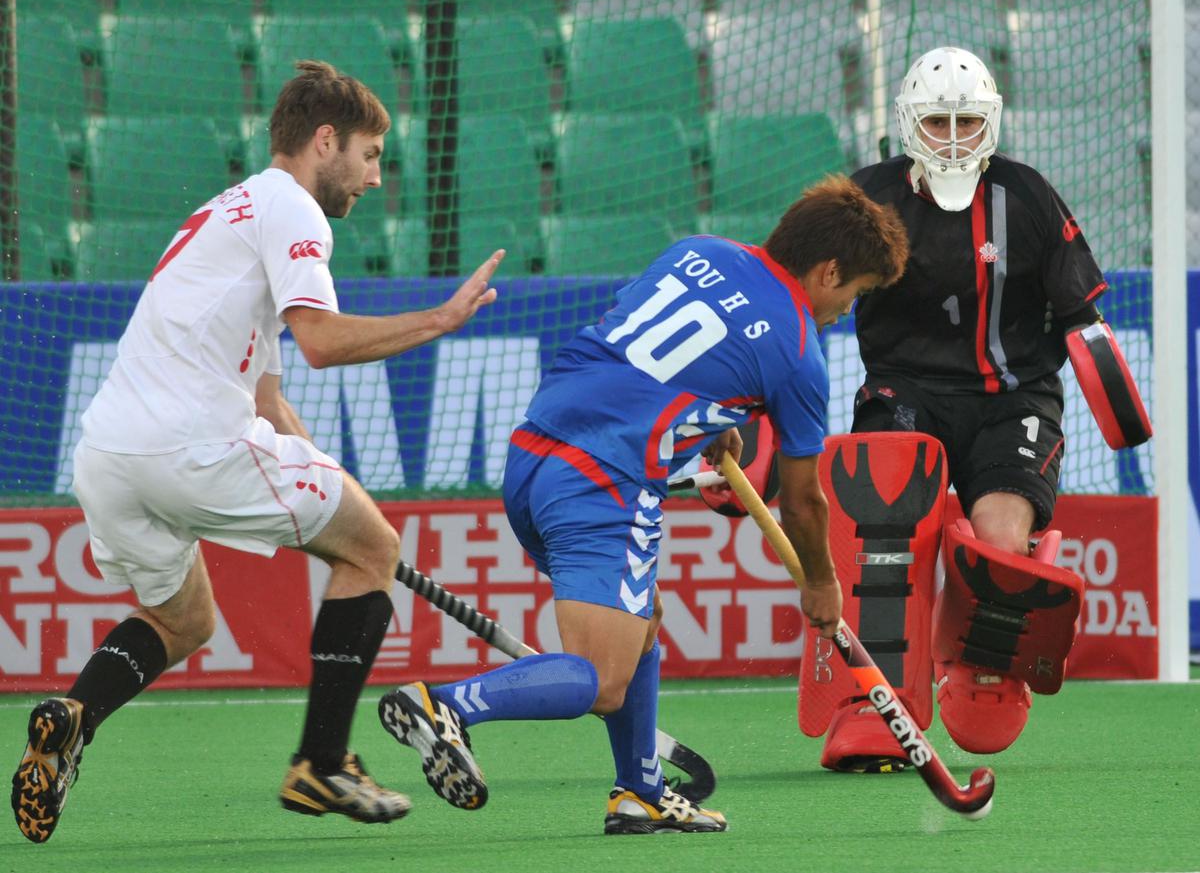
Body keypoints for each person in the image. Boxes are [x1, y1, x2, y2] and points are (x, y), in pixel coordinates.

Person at [10, 60, 501, 844]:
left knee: (184, 618)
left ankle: (73, 716)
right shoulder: (295, 210)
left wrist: (333, 493)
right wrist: (440, 319)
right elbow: (321, 340)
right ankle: (322, 761)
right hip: (190, 445)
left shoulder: (228, 210)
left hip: (108, 454)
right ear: (325, 140)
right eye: (370, 155)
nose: (374, 178)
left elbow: (268, 395)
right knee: (375, 549)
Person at [376, 174, 910, 833]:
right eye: (854, 294)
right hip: (604, 483)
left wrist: (710, 420)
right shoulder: (799, 352)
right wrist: (823, 583)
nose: (846, 312)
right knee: (602, 679)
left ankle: (641, 790)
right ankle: (447, 704)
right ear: (828, 270)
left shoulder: (701, 250)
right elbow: (803, 501)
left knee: (642, 619)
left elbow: (648, 357)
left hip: (534, 452)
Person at [820, 46, 1112, 770]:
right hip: (905, 390)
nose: (954, 138)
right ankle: (879, 702)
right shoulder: (866, 199)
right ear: (909, 124)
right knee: (885, 540)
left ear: (993, 123)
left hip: (1014, 397)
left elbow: (1083, 313)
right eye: (940, 121)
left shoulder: (1030, 196)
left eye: (968, 121)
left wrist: (1108, 381)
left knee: (997, 541)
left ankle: (986, 656)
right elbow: (807, 295)